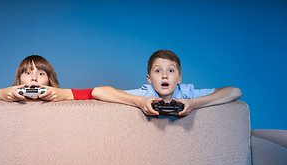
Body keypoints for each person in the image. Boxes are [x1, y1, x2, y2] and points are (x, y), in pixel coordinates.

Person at [92, 49, 241, 116]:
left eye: (170, 71)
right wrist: (139, 102)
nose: (164, 76)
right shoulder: (145, 93)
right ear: (149, 79)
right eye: (158, 71)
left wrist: (194, 103)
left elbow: (235, 92)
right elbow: (98, 92)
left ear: (179, 78)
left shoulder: (187, 92)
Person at [0, 55, 93, 112]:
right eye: (28, 73)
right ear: (19, 79)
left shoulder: (61, 100)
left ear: (49, 80)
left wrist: (64, 94)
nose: (34, 78)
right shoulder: (7, 99)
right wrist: (1, 94)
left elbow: (95, 94)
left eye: (41, 73)